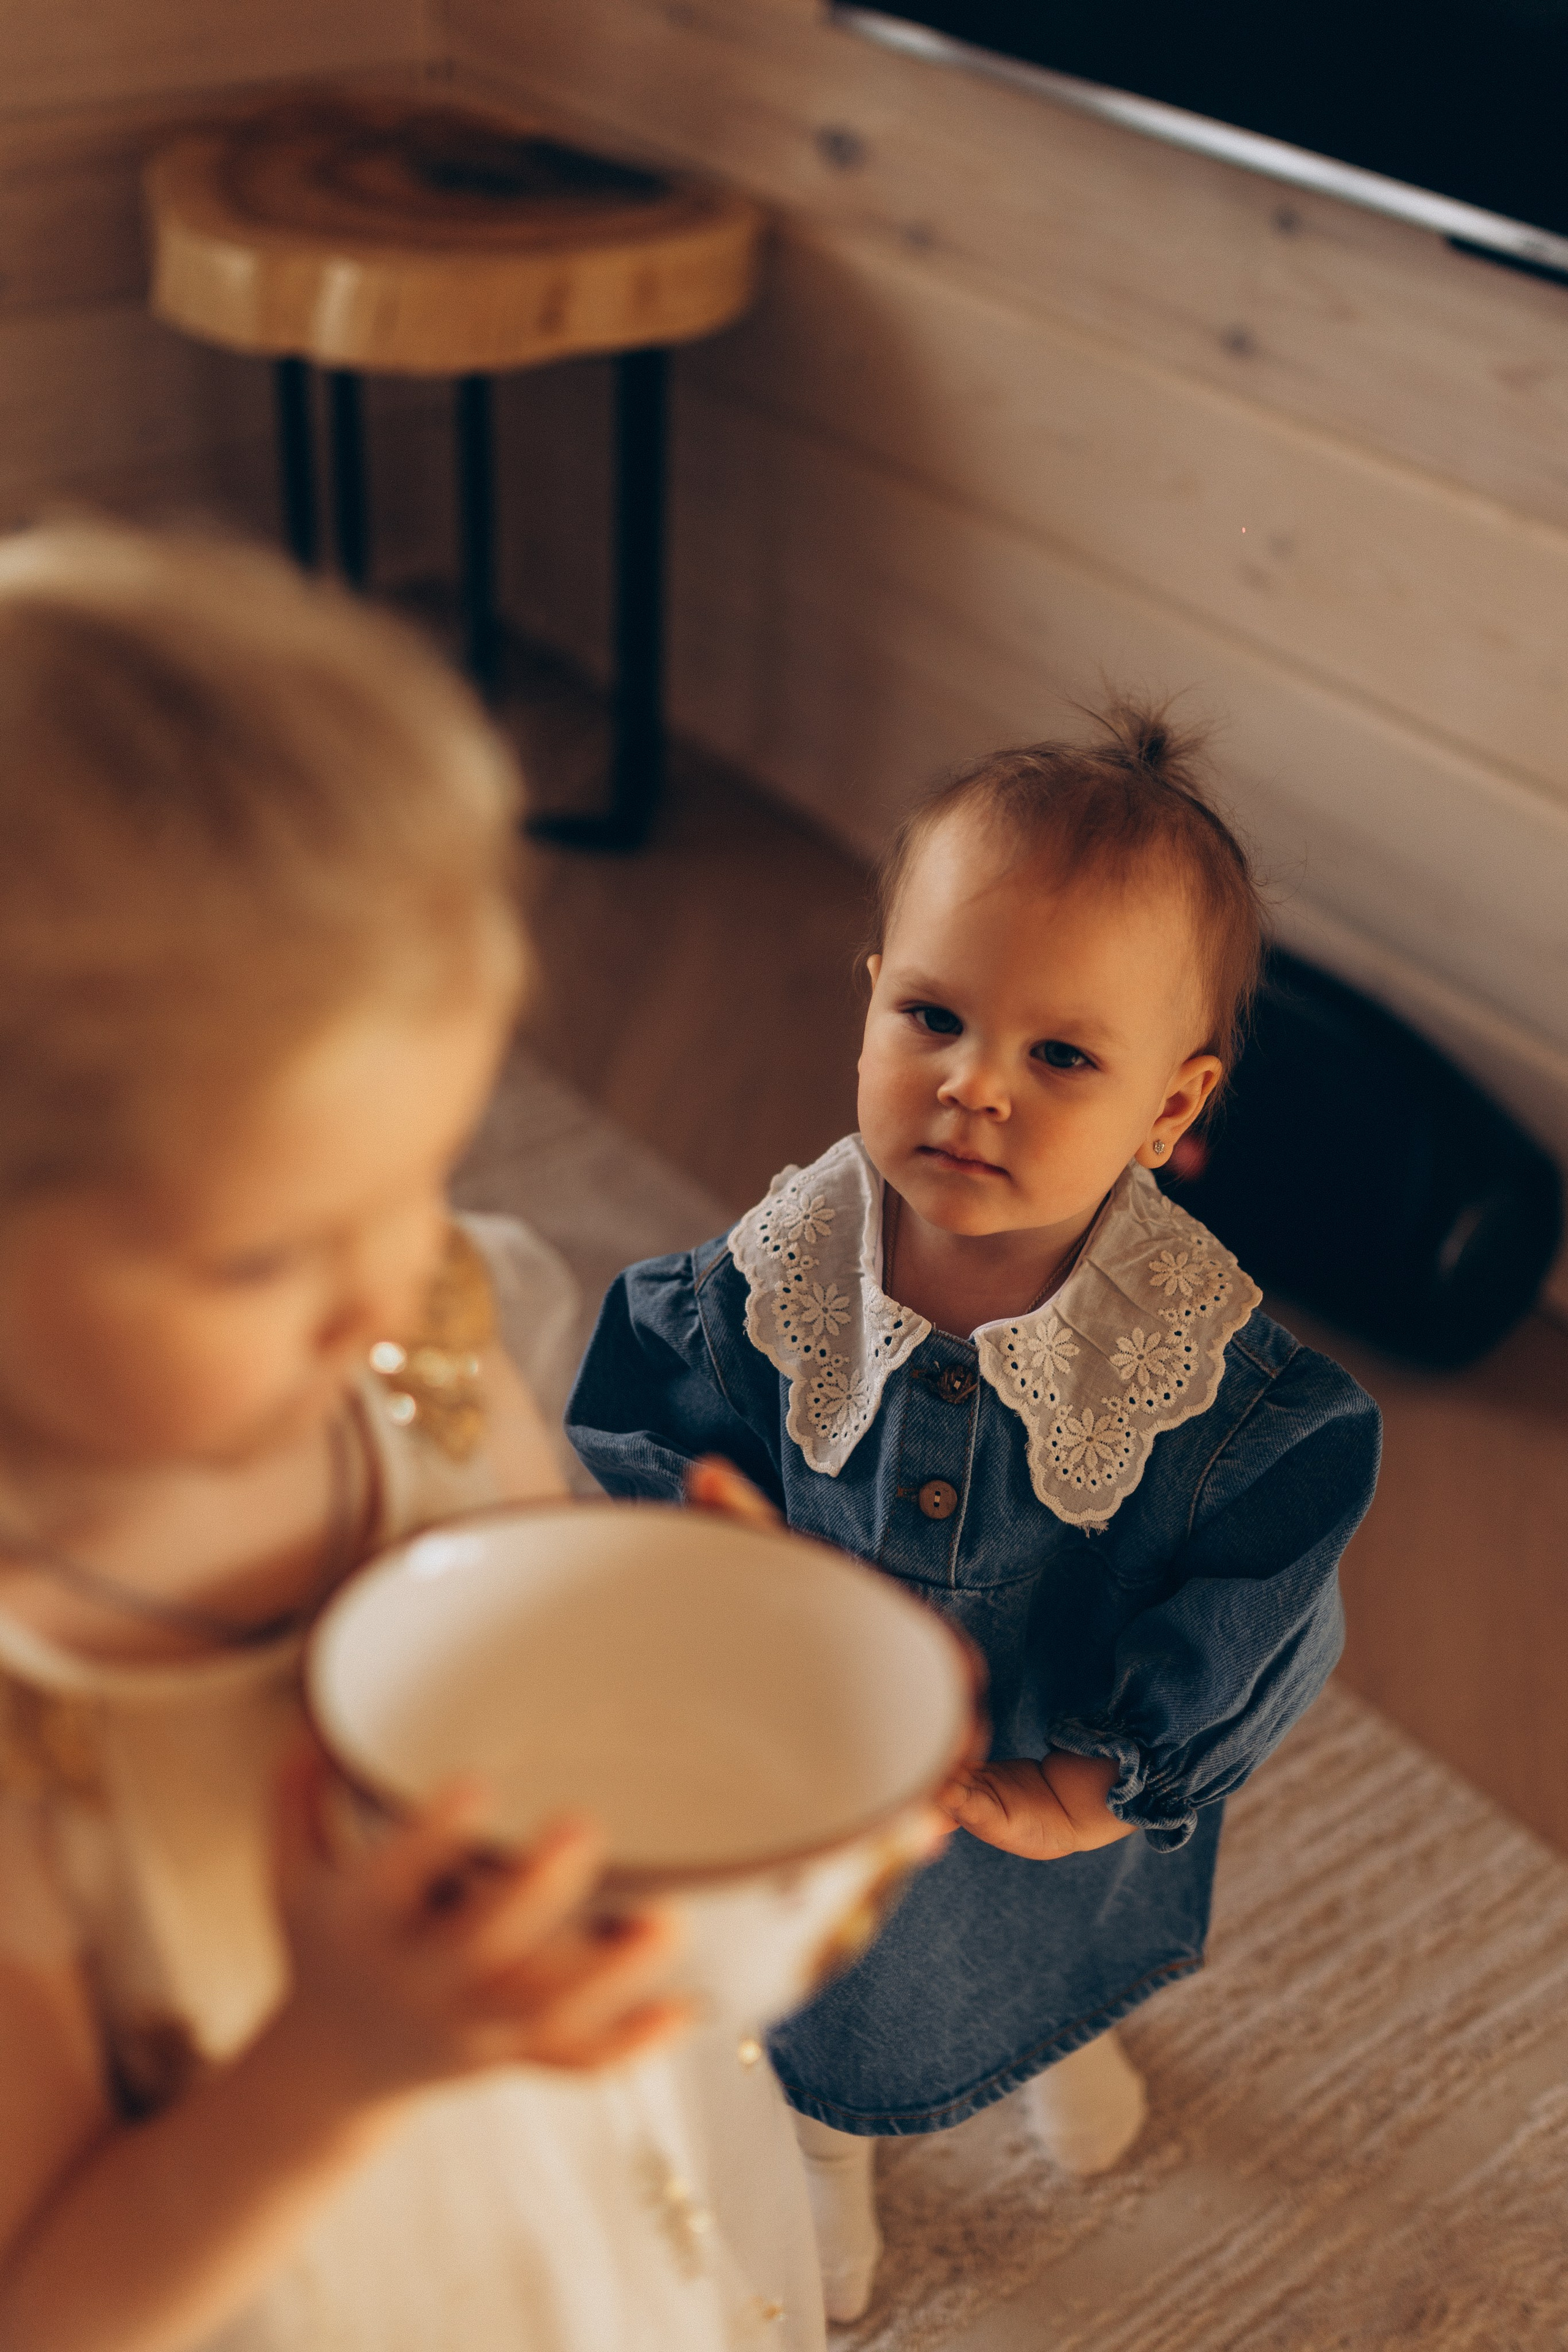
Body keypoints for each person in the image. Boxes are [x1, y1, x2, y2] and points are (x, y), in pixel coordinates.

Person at [0, 522, 823, 2352]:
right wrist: (333, 2071)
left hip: (544, 2166)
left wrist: (698, 1657)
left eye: (425, 1174)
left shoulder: (422, 1326)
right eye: (268, 1249)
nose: (388, 1283)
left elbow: (525, 1613)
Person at [566, 704, 1383, 2323]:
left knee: (1044, 1932)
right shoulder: (778, 1278)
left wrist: (1103, 1775)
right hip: (811, 1757)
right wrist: (710, 1566)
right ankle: (826, 2156)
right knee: (824, 1988)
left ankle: (1063, 2038)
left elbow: (1266, 1584)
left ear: (1169, 1107)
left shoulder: (1197, 1370)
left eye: (1062, 1056)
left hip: (1036, 1759)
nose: (975, 1088)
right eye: (935, 1015)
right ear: (871, 997)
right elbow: (658, 1431)